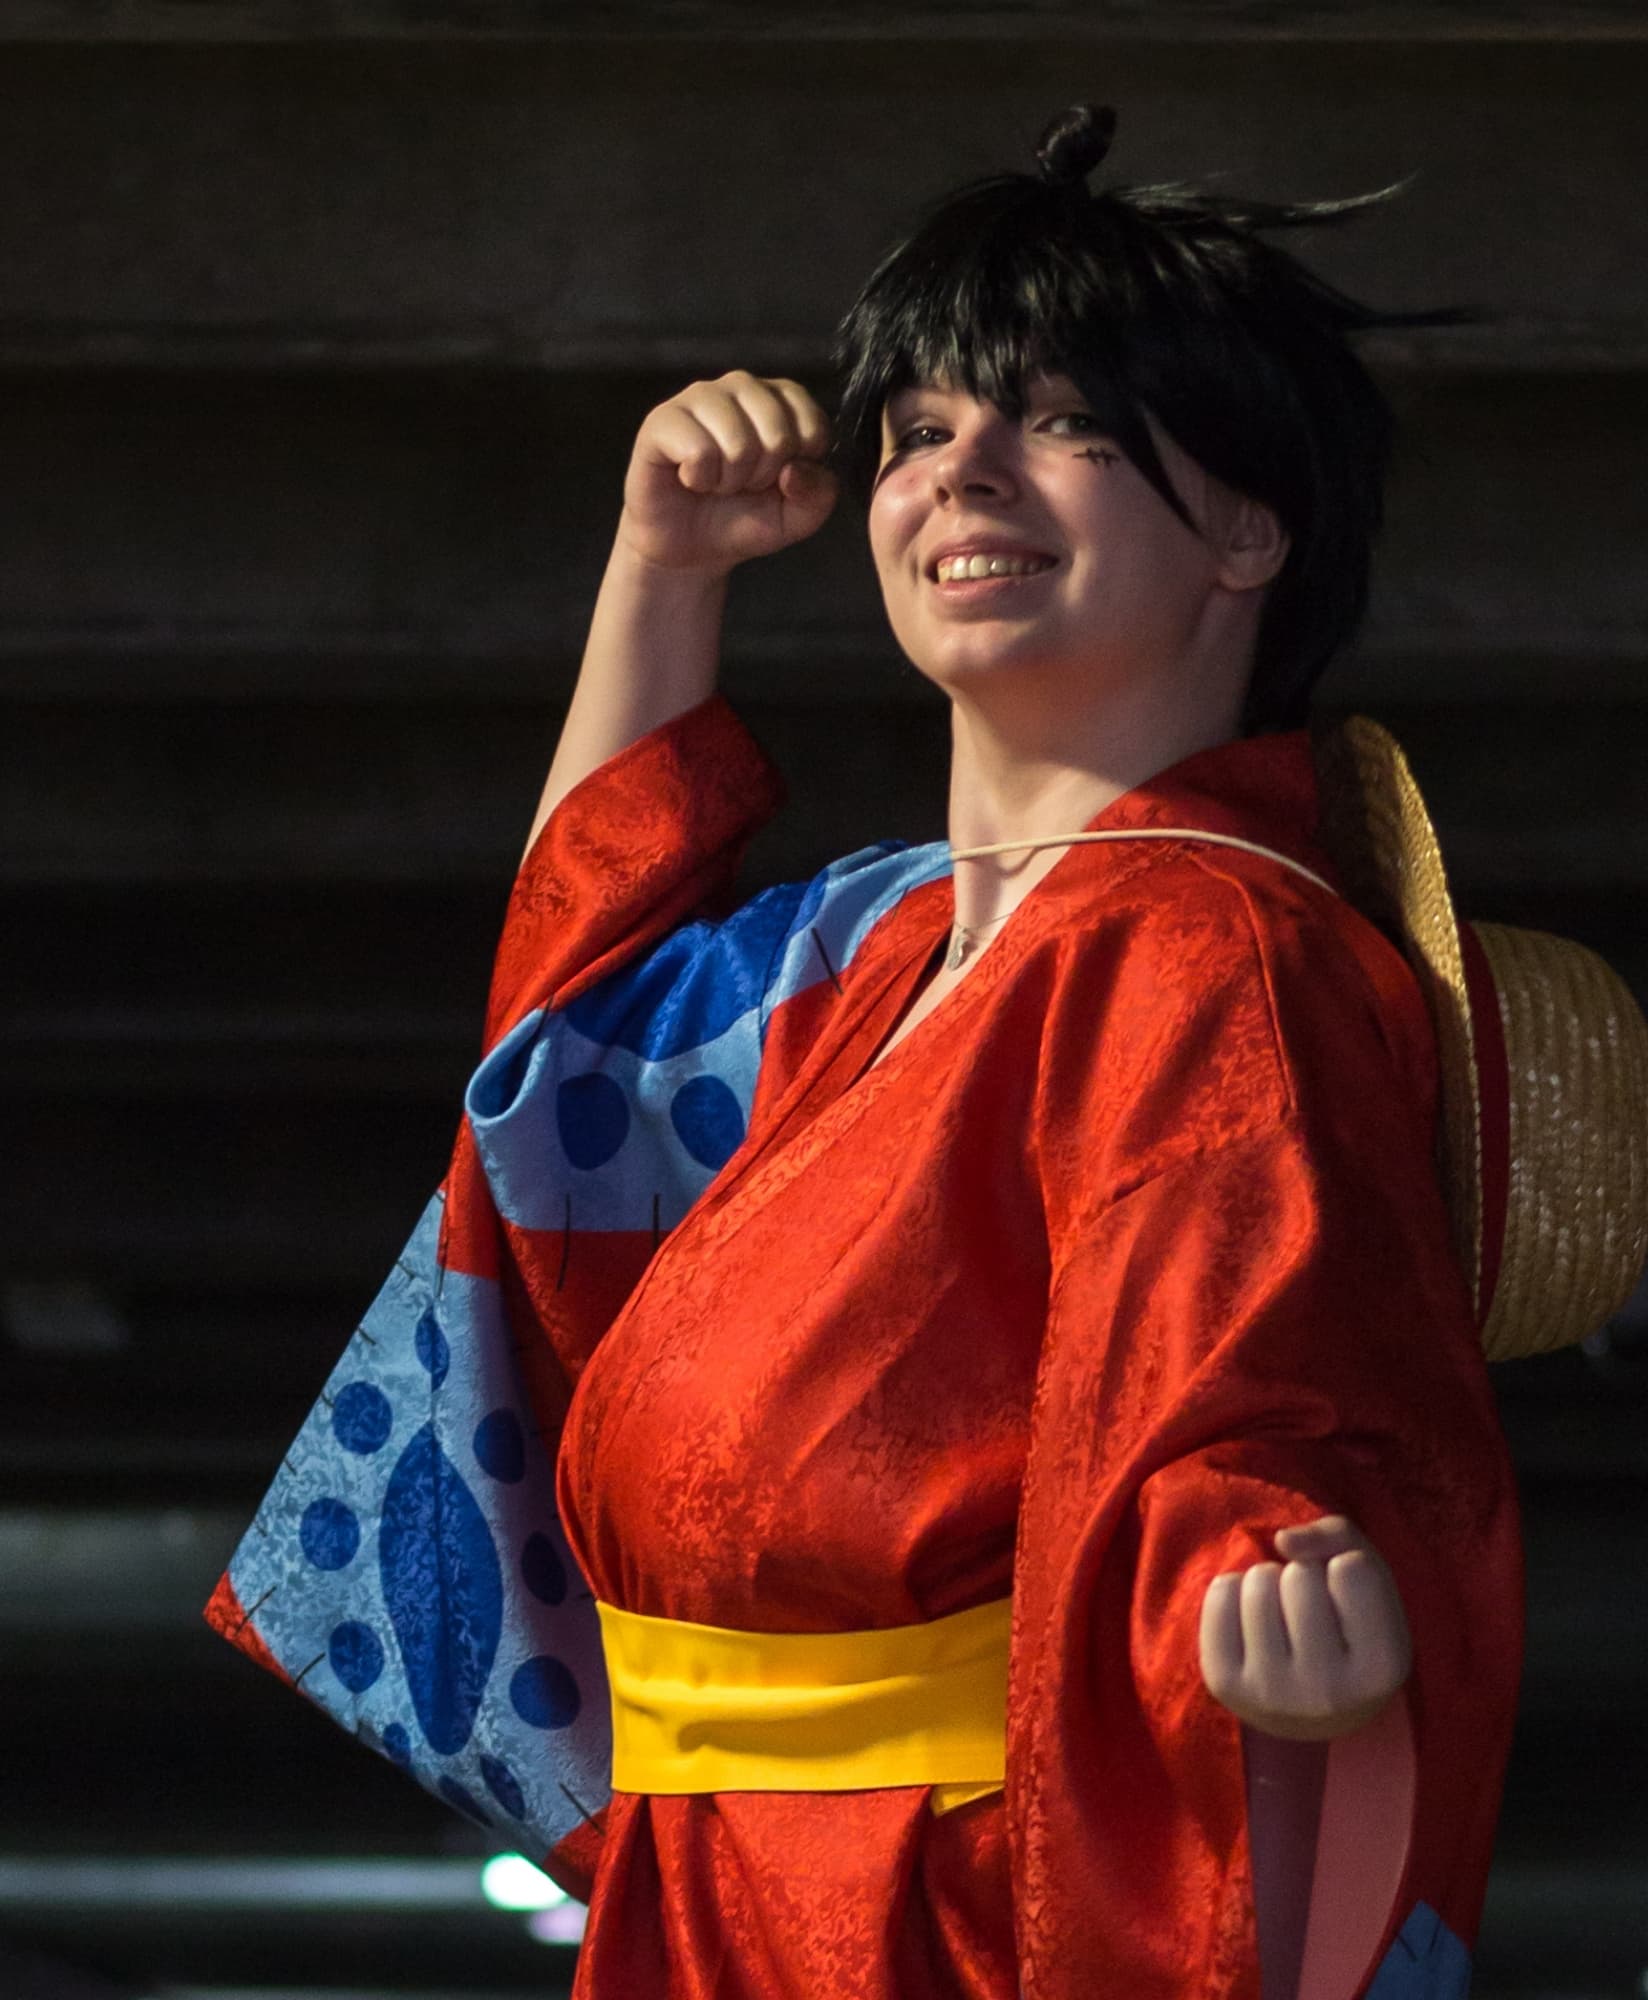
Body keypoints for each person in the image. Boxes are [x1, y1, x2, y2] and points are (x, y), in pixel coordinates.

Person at [212, 104, 1524, 1998]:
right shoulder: (882, 938)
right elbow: (564, 1082)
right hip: (730, 1871)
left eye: (1068, 425)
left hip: (938, 1893)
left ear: (1252, 527)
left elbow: (1240, 1394)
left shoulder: (1206, 944)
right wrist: (664, 571)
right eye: (917, 431)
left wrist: (1277, 1624)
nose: (961, 474)